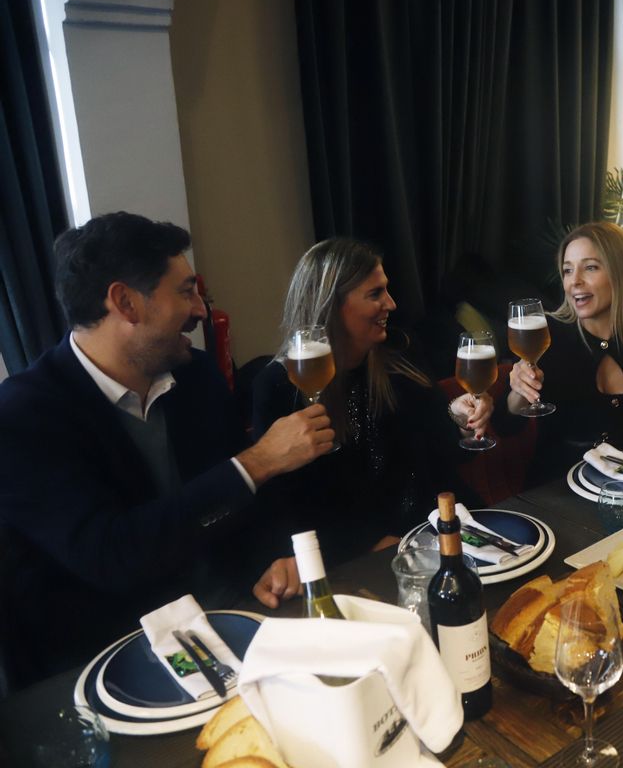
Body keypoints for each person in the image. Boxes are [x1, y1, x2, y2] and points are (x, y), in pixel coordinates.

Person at [0, 212, 332, 688]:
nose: (201, 309)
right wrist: (257, 461)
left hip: (234, 623)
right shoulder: (23, 417)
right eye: (185, 291)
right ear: (125, 303)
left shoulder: (196, 375)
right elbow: (112, 555)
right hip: (111, 666)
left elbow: (251, 503)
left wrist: (273, 556)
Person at [251, 239, 492, 608]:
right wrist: (367, 544)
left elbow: (442, 457)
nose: (391, 304)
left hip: (434, 535)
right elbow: (288, 511)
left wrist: (459, 420)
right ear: (333, 305)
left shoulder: (396, 357)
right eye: (375, 294)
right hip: (352, 563)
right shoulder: (282, 385)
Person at [505, 222, 623, 482]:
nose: (574, 281)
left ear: (619, 273)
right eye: (567, 271)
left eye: (590, 267)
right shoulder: (545, 334)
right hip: (556, 486)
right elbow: (507, 425)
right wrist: (517, 390)